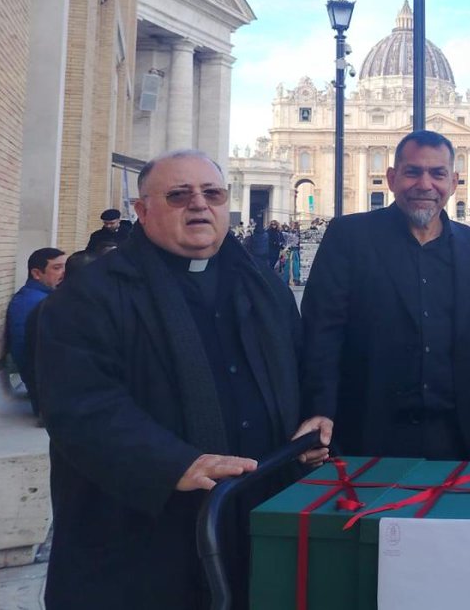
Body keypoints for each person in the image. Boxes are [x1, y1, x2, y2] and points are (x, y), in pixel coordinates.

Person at [36, 149, 302, 610]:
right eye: (178, 195)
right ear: (142, 211)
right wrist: (171, 462)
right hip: (144, 527)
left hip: (252, 510)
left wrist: (310, 421)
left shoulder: (264, 284)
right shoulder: (90, 296)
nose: (199, 204)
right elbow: (80, 406)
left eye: (212, 193)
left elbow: (299, 365)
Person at [298, 131, 470, 462]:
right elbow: (322, 334)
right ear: (392, 178)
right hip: (365, 435)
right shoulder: (349, 237)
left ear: (454, 182)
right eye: (413, 172)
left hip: (455, 437)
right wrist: (319, 412)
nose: (425, 184)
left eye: (437, 174)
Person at [6, 248, 66, 414]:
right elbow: (28, 356)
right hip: (47, 394)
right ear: (37, 273)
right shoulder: (32, 302)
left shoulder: (44, 298)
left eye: (64, 267)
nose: (63, 273)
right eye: (57, 268)